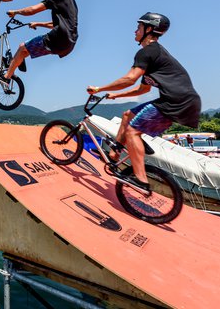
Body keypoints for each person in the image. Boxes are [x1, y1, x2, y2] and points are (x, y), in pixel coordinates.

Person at [86, 12, 201, 190]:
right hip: (180, 100)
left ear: (149, 29)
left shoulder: (147, 52)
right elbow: (142, 89)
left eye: (139, 27)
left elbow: (129, 79)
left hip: (177, 101)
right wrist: (116, 96)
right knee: (127, 115)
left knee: (132, 132)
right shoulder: (156, 54)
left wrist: (100, 88)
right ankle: (113, 156)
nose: (135, 31)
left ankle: (141, 180)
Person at [0, 0, 83, 86]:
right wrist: (38, 23)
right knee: (24, 51)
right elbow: (58, 25)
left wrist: (15, 12)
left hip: (58, 39)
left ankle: (6, 78)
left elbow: (32, 10)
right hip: (68, 44)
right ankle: (15, 63)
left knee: (22, 47)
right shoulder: (73, 4)